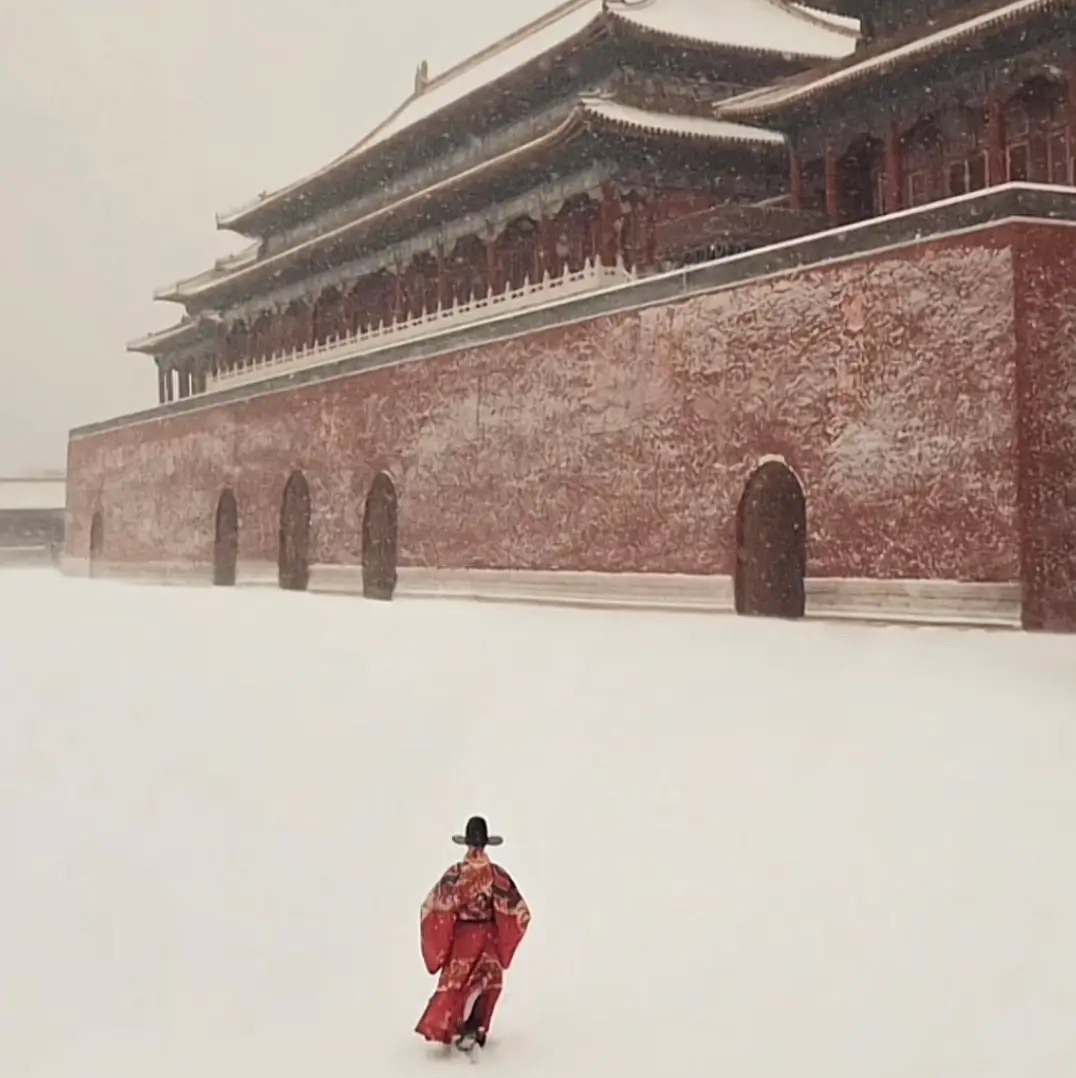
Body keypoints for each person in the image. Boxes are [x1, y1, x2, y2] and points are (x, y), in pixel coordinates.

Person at [414, 816, 531, 1052]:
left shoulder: (457, 874)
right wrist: (503, 929)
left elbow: (434, 905)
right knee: (487, 982)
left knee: (457, 983)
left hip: (463, 939)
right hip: (487, 936)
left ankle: (460, 1025)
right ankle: (476, 1026)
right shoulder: (495, 874)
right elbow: (517, 909)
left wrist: (444, 927)